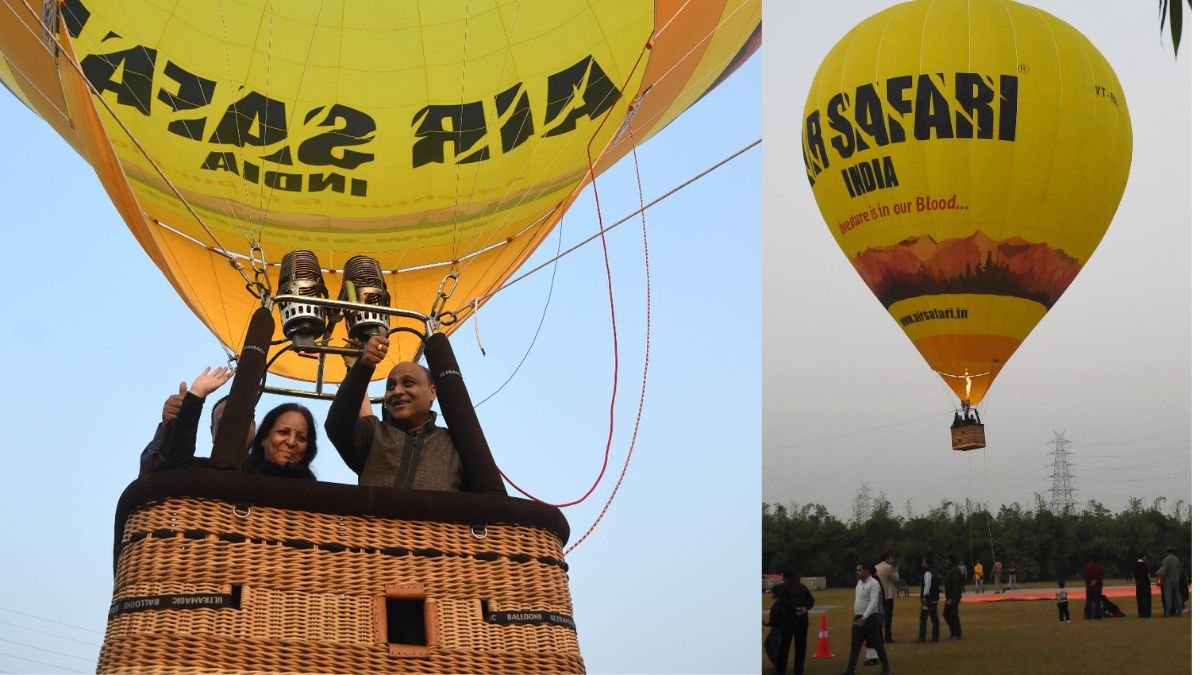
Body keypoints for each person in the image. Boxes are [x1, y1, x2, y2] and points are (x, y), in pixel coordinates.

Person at [325, 332, 504, 492]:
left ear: (432, 392)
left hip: (431, 530)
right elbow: (337, 427)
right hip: (373, 530)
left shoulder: (453, 446)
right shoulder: (373, 434)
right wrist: (364, 366)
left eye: (408, 383)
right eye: (390, 386)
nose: (397, 391)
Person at [152, 367, 259, 471]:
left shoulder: (269, 474)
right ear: (212, 432)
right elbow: (173, 466)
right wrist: (193, 400)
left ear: (253, 427)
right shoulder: (195, 471)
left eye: (239, 420)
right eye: (223, 422)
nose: (232, 427)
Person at [837, 562, 890, 675]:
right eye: (857, 570)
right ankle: (850, 670)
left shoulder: (874, 583)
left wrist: (864, 617)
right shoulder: (859, 583)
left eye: (859, 570)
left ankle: (886, 669)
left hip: (870, 618)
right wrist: (858, 617)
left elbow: (874, 602)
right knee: (855, 645)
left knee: (877, 643)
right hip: (858, 616)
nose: (857, 572)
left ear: (866, 571)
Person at [776, 570, 815, 675]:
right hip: (802, 620)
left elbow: (783, 604)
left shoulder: (783, 588)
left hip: (788, 621)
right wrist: (804, 608)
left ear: (784, 576)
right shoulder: (802, 587)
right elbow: (811, 600)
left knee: (784, 648)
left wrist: (794, 610)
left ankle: (781, 671)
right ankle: (798, 671)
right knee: (800, 648)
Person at [874, 552, 900, 643]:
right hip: (888, 595)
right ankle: (888, 636)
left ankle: (879, 636)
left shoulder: (876, 567)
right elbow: (896, 579)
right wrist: (895, 570)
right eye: (890, 558)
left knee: (879, 616)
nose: (891, 560)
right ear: (886, 559)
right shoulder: (889, 568)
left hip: (878, 595)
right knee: (888, 617)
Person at [763, 585, 788, 673]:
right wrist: (767, 624)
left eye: (773, 592)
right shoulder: (781, 603)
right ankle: (779, 667)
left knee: (770, 646)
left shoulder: (779, 604)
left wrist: (768, 623)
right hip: (778, 628)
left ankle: (779, 667)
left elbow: (777, 619)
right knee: (776, 648)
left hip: (777, 630)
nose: (771, 594)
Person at [918, 556, 941, 642]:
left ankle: (922, 637)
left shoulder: (927, 573)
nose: (922, 564)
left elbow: (927, 585)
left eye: (923, 562)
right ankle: (935, 636)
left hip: (928, 600)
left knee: (923, 618)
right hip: (934, 598)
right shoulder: (935, 572)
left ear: (927, 564)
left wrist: (924, 596)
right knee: (935, 618)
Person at [942, 554, 964, 639]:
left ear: (951, 561)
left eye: (947, 560)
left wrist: (953, 599)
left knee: (953, 615)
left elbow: (955, 585)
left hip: (953, 597)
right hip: (950, 596)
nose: (946, 562)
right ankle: (954, 632)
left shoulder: (955, 571)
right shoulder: (952, 570)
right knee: (947, 614)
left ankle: (957, 634)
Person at [1159, 546, 1182, 617]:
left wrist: (1161, 581)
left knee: (1168, 597)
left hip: (1168, 581)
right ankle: (1180, 612)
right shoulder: (1177, 559)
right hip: (1176, 579)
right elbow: (1179, 570)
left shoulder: (1166, 560)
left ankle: (1168, 613)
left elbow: (1164, 571)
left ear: (1166, 552)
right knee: (1177, 596)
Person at [1082, 554, 1105, 620]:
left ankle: (1088, 616)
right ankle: (1098, 616)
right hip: (1097, 587)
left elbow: (1084, 575)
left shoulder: (1086, 566)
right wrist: (1095, 581)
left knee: (1088, 601)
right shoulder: (1100, 566)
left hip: (1089, 586)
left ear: (1091, 559)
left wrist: (1090, 581)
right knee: (1097, 601)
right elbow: (1101, 576)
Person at [1133, 552, 1153, 618]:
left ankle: (1141, 613)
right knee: (1146, 598)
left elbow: (1134, 574)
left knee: (1139, 598)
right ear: (1143, 557)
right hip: (1145, 583)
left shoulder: (1135, 564)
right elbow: (1147, 574)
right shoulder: (1145, 565)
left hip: (1138, 583)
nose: (1146, 558)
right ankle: (1147, 613)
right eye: (1145, 556)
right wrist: (1149, 581)